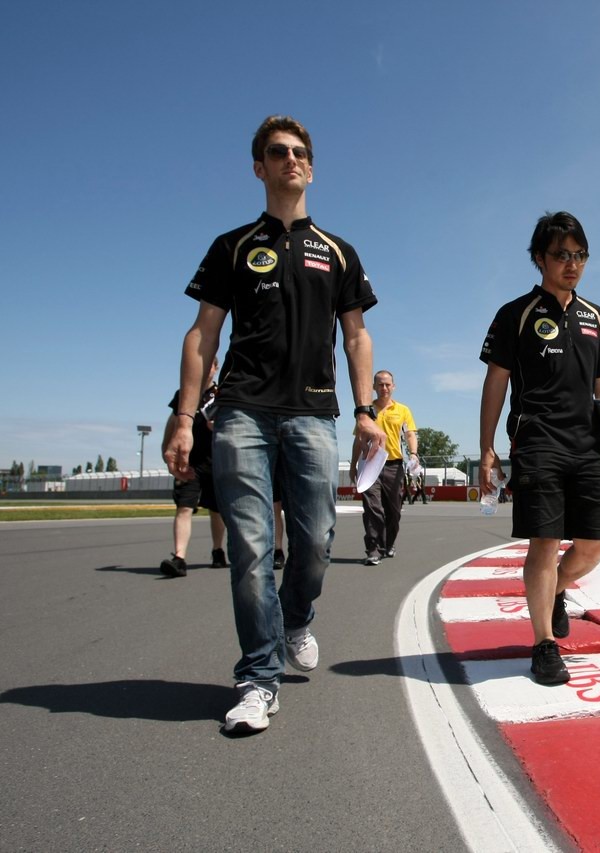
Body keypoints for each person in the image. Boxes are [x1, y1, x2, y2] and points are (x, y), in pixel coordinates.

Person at [164, 115, 384, 735]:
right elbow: (202, 333)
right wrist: (185, 416)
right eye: (277, 153)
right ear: (258, 168)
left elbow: (357, 335)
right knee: (253, 548)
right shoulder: (231, 246)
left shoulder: (339, 251)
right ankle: (258, 677)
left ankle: (296, 619)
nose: (291, 160)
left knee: (314, 540)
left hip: (314, 414)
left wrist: (366, 411)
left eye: (300, 153)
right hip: (241, 412)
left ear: (311, 167)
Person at [478, 211, 600, 686]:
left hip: (587, 446)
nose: (572, 263)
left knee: (595, 543)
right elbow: (495, 382)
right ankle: (544, 645)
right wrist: (487, 450)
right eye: (562, 254)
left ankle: (556, 589)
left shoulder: (595, 316)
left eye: (580, 255)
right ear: (539, 258)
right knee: (545, 540)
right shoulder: (514, 313)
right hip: (536, 441)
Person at [160, 356, 226, 577]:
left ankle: (218, 550)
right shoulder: (184, 394)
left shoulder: (221, 395)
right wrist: (166, 448)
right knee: (184, 507)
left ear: (215, 369)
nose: (206, 369)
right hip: (190, 463)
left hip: (216, 462)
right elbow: (173, 422)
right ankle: (179, 557)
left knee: (216, 511)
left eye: (210, 365)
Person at [348, 371, 418, 565]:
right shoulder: (366, 411)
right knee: (372, 508)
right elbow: (358, 439)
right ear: (374, 387)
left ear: (393, 386)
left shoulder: (403, 410)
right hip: (370, 464)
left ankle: (389, 542)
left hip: (394, 465)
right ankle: (373, 549)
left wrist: (413, 453)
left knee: (394, 511)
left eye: (387, 384)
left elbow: (410, 434)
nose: (384, 388)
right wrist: (353, 465)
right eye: (380, 385)